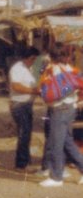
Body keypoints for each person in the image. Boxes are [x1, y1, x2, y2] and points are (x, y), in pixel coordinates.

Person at [39, 44, 83, 187]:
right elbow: (75, 86)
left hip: (59, 109)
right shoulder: (71, 69)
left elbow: (46, 92)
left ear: (51, 56)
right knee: (67, 142)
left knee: (55, 143)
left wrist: (61, 92)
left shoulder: (52, 70)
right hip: (70, 108)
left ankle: (56, 177)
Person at [8, 46, 40, 171]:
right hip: (19, 104)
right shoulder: (17, 69)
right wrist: (34, 91)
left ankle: (26, 160)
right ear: (26, 58)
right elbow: (16, 86)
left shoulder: (30, 69)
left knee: (26, 132)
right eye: (32, 59)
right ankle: (21, 163)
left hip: (27, 104)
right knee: (24, 133)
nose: (33, 61)